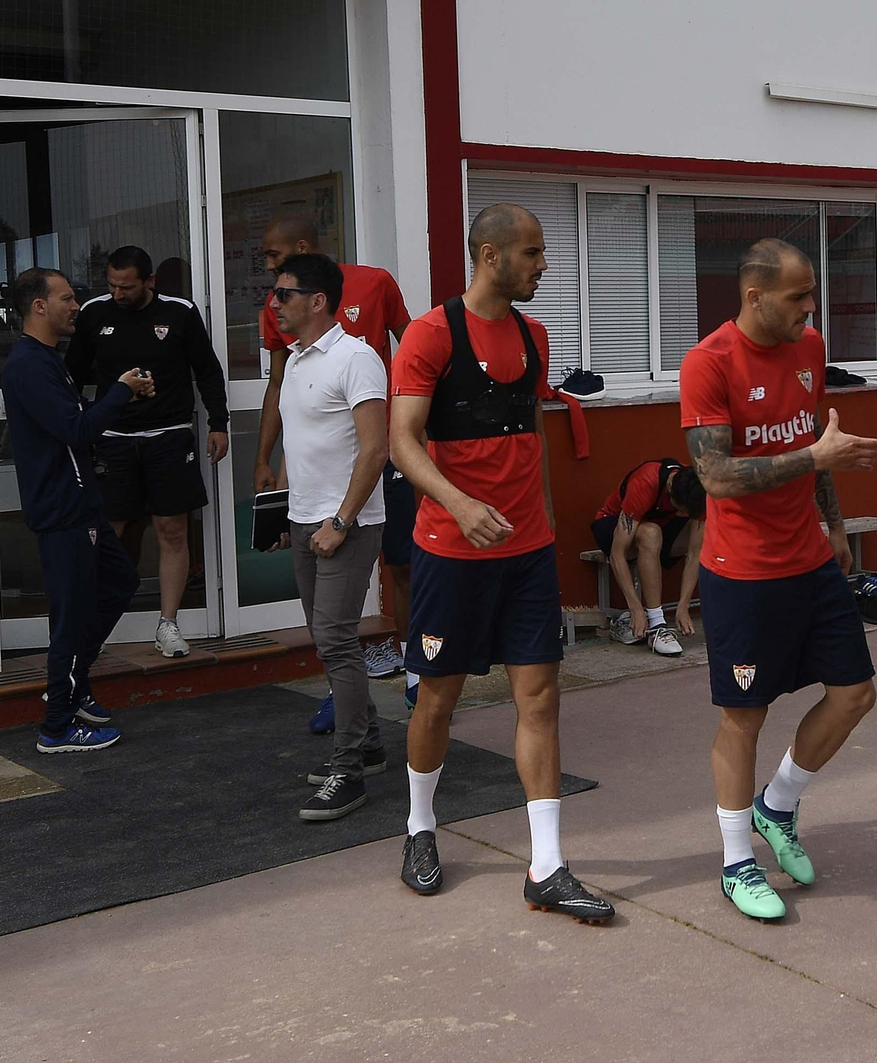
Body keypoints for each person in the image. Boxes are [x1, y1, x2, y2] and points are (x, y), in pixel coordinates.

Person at [389, 202, 612, 922]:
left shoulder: (535, 334)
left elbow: (535, 433)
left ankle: (546, 865)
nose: (542, 265)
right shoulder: (429, 335)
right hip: (452, 553)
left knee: (540, 698)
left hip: (526, 555)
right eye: (533, 253)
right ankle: (421, 825)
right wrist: (458, 504)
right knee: (438, 700)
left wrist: (543, 519)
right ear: (490, 256)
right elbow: (401, 442)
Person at [680, 238, 877, 921]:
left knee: (855, 693)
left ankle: (779, 803)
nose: (810, 308)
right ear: (755, 295)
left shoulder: (807, 348)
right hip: (742, 573)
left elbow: (816, 439)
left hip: (809, 560)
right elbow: (715, 477)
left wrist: (834, 524)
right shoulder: (707, 363)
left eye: (813, 296)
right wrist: (813, 456)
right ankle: (737, 863)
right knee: (744, 717)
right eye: (798, 296)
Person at [253, 216, 415, 703]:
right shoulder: (279, 308)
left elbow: (414, 352)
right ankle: (344, 703)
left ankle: (416, 674)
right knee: (330, 626)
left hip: (382, 452)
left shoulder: (375, 282)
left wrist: (415, 428)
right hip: (322, 479)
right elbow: (284, 386)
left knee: (404, 566)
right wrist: (266, 460)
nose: (269, 279)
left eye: (273, 258)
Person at [1, 268, 155, 753]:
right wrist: (121, 392)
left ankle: (72, 684)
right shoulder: (28, 364)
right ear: (39, 306)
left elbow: (76, 425)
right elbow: (76, 429)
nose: (76, 306)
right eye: (67, 298)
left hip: (81, 503)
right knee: (71, 616)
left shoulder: (49, 359)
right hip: (62, 509)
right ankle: (57, 726)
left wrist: (120, 394)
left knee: (119, 583)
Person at [266, 254, 390, 822]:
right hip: (303, 519)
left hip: (349, 524)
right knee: (326, 637)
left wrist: (339, 522)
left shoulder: (356, 358)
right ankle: (365, 741)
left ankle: (349, 769)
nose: (275, 304)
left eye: (285, 294)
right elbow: (302, 442)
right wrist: (282, 510)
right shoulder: (294, 360)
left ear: (318, 300)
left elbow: (376, 449)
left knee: (336, 640)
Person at [67, 245, 229, 659]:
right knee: (107, 531)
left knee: (172, 530)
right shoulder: (93, 314)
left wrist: (218, 423)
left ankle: (167, 624)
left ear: (150, 282)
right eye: (112, 285)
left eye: (128, 286)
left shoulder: (179, 312)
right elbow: (72, 376)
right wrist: (79, 423)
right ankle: (95, 627)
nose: (118, 293)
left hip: (169, 436)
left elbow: (207, 370)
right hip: (113, 440)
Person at [591, 458, 708, 656]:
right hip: (612, 527)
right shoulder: (645, 483)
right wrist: (635, 606)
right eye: (679, 509)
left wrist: (683, 605)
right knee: (651, 533)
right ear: (670, 486)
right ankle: (657, 625)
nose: (682, 513)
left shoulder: (697, 490)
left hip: (658, 529)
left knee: (707, 531)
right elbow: (617, 553)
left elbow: (695, 553)